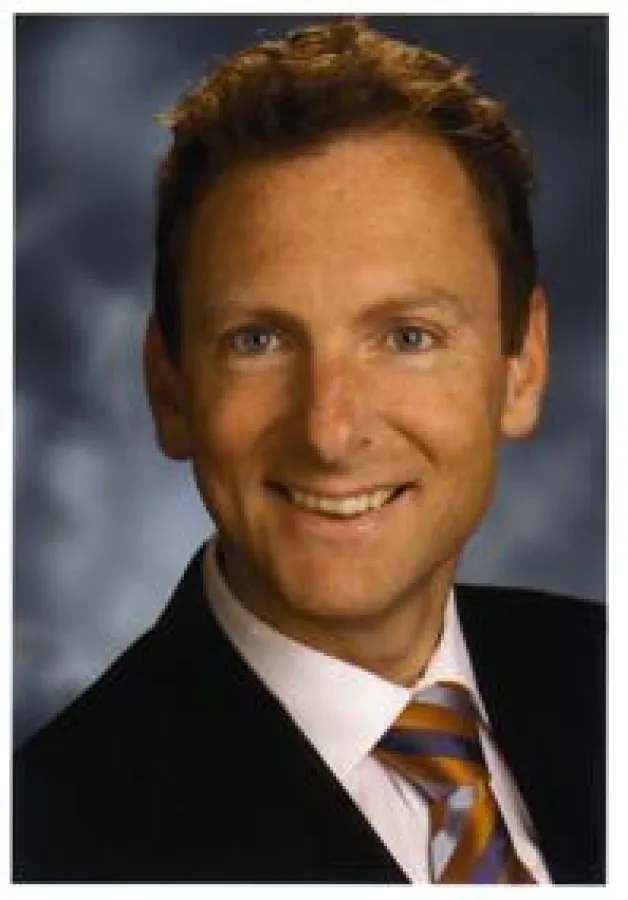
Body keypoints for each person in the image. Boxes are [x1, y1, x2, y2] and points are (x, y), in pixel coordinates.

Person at [12, 19, 605, 884]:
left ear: (525, 364)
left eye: (407, 336)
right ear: (169, 388)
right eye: (258, 341)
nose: (330, 432)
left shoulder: (600, 673)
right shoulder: (55, 845)